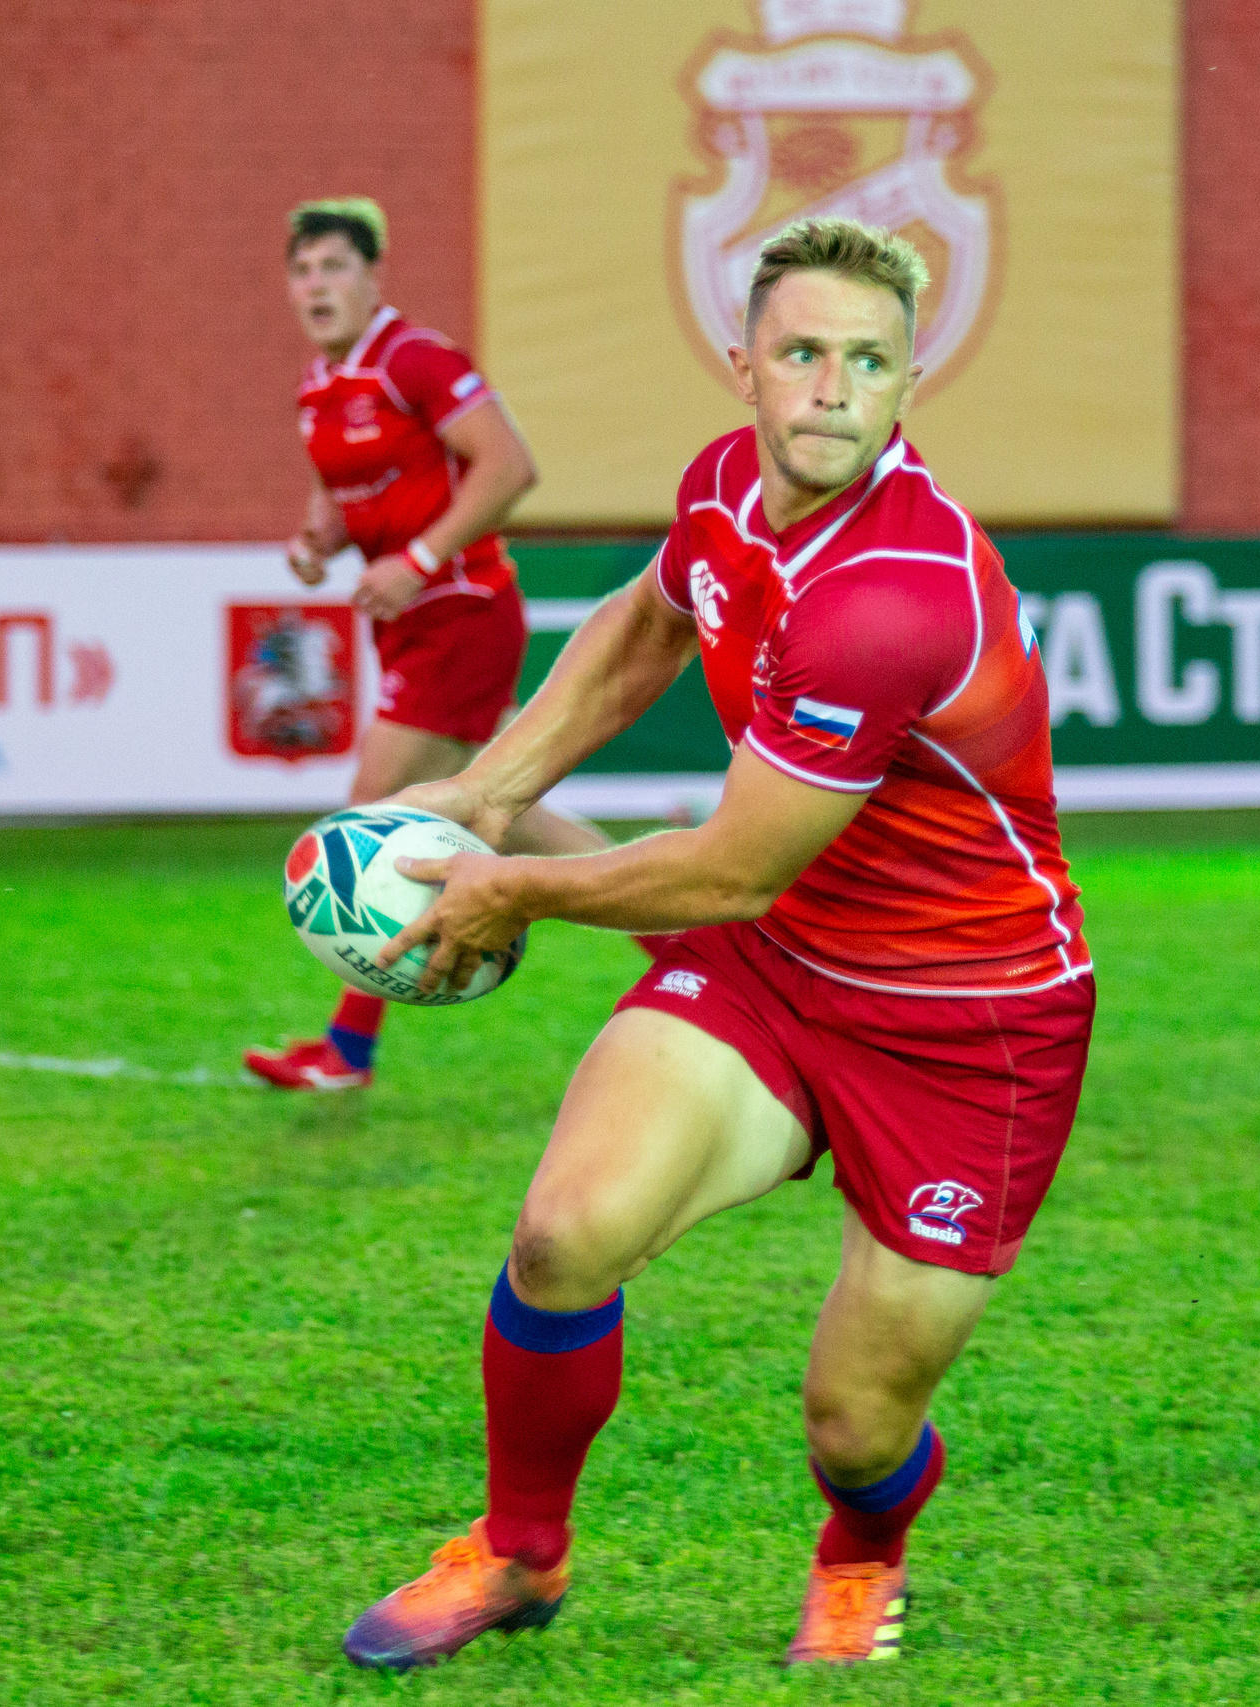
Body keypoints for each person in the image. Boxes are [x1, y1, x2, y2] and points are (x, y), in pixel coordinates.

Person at [336, 217, 1094, 1670]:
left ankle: (865, 1550)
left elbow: (731, 867)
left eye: (867, 362)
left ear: (906, 386)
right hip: (784, 966)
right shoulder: (725, 488)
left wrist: (509, 887)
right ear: (741, 361)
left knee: (853, 1421)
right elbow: (641, 627)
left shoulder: (896, 595)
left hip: (972, 1026)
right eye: (802, 352)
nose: (829, 388)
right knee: (566, 1234)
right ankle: (516, 1553)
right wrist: (488, 787)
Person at [247, 197, 605, 1091]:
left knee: (371, 813)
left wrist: (416, 557)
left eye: (334, 266)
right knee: (510, 808)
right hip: (409, 622)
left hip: (462, 609)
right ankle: (697, 934)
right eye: (303, 270)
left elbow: (509, 465)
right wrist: (317, 540)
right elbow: (345, 489)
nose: (317, 284)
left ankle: (348, 1050)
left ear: (374, 278)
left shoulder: (415, 357)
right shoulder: (318, 384)